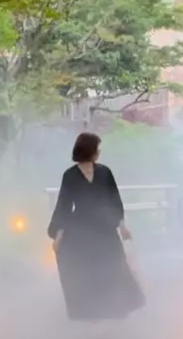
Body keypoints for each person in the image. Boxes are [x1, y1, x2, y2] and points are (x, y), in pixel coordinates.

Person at [47, 131, 146, 322]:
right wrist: (58, 236)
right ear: (88, 150)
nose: (99, 152)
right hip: (81, 230)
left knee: (113, 267)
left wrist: (122, 225)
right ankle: (93, 316)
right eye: (96, 148)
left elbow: (114, 199)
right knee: (86, 272)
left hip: (105, 227)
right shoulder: (70, 176)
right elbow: (64, 206)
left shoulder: (104, 172)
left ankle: (115, 309)